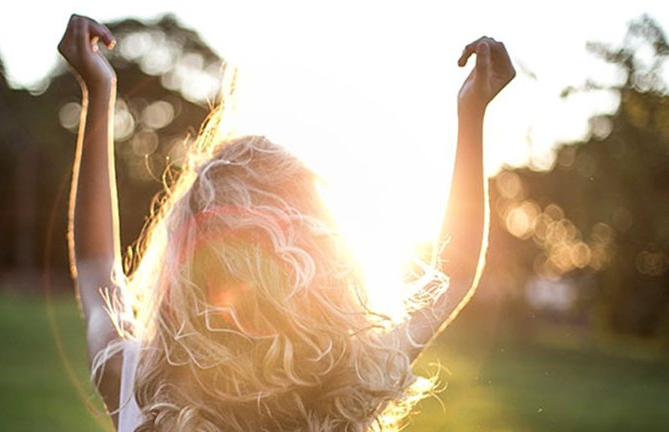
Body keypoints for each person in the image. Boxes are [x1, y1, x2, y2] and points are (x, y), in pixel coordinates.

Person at [58, 13, 514, 432]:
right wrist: (471, 113)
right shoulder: (353, 377)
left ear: (186, 266)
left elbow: (98, 266)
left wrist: (99, 93)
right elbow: (451, 272)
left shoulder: (141, 385)